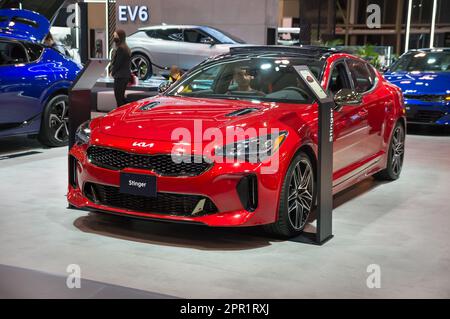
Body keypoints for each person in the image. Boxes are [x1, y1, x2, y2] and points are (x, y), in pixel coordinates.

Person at [110, 29, 132, 107]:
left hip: (120, 76)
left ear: (120, 37)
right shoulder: (126, 48)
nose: (114, 37)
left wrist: (112, 72)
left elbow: (118, 63)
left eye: (116, 36)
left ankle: (122, 112)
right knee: (121, 96)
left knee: (119, 97)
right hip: (124, 76)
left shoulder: (121, 49)